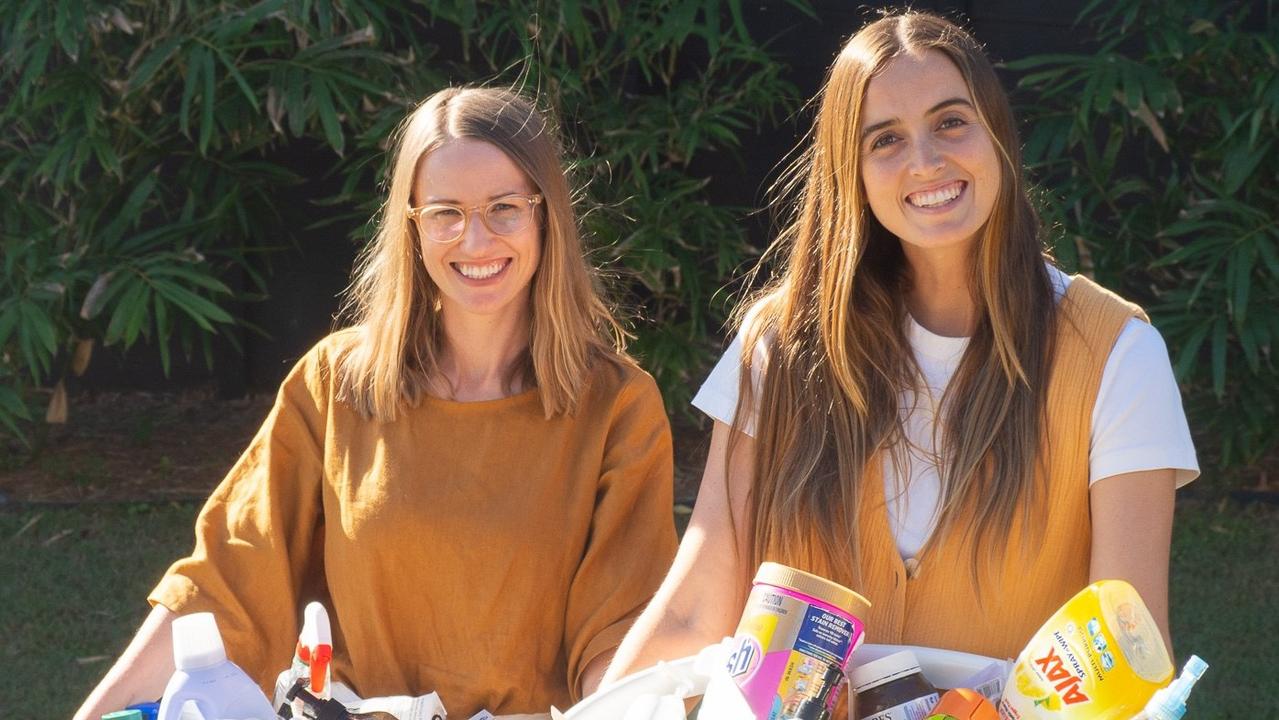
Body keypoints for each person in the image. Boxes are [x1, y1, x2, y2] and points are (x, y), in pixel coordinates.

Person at [606, 9, 1198, 691]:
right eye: (884, 139)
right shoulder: (777, 343)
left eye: (950, 122)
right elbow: (693, 610)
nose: (925, 161)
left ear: (996, 134)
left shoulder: (1118, 355)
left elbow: (1126, 659)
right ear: (848, 171)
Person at [75, 87, 678, 720]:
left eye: (504, 208)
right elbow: (223, 588)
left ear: (546, 215)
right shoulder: (336, 383)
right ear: (412, 225)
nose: (475, 240)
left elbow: (623, 637)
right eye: (445, 212)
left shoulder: (617, 405)